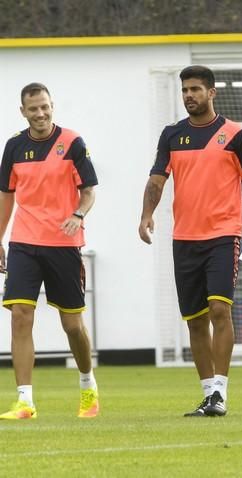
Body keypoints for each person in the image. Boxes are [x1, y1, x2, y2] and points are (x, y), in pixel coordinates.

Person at [139, 65, 242, 417]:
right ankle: (208, 393)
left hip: (223, 236)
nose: (189, 96)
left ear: (212, 92)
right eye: (185, 90)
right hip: (184, 239)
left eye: (196, 89)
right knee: (195, 321)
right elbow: (156, 179)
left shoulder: (235, 135)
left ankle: (221, 393)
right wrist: (146, 214)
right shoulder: (171, 135)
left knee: (219, 309)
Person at [0, 83, 99, 419]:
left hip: (64, 244)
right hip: (24, 243)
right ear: (23, 112)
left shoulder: (72, 143)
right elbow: (6, 197)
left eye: (45, 107)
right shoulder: (13, 146)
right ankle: (25, 401)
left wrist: (78, 214)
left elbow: (89, 191)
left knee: (72, 325)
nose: (40, 114)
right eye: (33, 109)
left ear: (52, 105)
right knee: (19, 316)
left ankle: (88, 386)